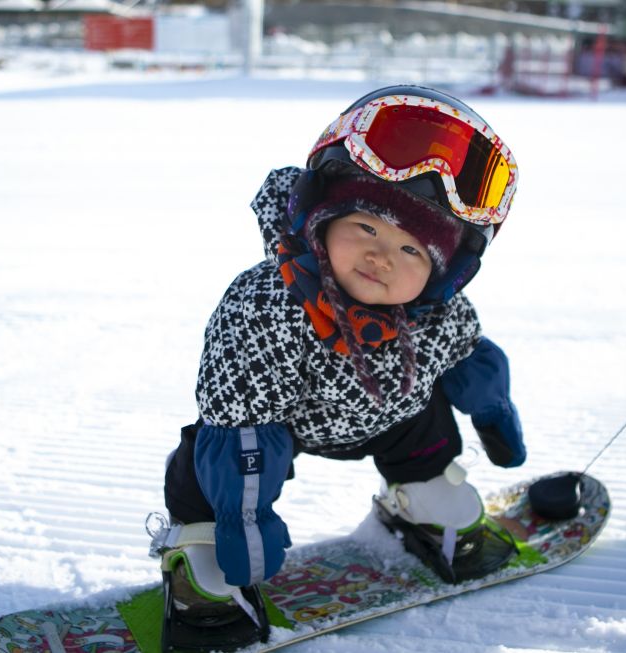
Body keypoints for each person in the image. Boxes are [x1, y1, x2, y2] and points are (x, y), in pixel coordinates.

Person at [159, 85, 525, 648]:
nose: (383, 256)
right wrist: (243, 517)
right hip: (279, 429)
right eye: (367, 228)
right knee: (211, 460)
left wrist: (492, 407)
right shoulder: (267, 306)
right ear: (319, 220)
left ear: (445, 273)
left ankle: (421, 495)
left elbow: (467, 357)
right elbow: (243, 429)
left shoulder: (434, 314)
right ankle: (203, 543)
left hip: (388, 417)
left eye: (412, 252)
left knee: (425, 413)